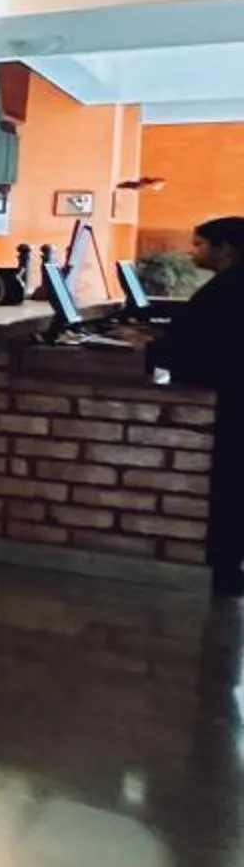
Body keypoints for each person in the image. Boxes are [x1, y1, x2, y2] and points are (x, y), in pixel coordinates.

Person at [151, 215, 244, 601]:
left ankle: (226, 573)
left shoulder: (228, 288)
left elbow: (192, 344)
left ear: (225, 249)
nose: (193, 253)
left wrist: (150, 349)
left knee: (230, 488)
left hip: (235, 402)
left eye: (200, 245)